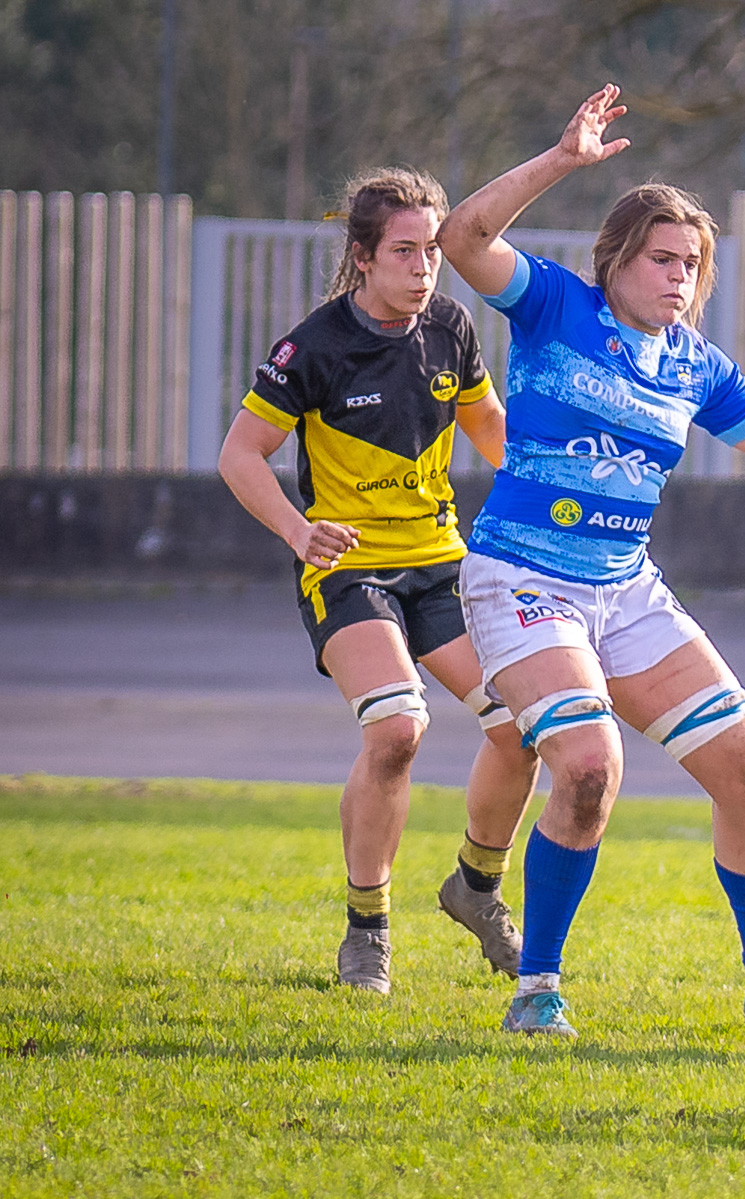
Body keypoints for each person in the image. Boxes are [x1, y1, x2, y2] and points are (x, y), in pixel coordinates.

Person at [437, 86, 745, 1039]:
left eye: (692, 264)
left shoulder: (693, 363)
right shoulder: (555, 304)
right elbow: (463, 235)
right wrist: (562, 159)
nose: (679, 277)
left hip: (625, 589)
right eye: (662, 259)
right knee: (589, 763)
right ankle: (537, 990)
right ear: (615, 259)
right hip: (524, 577)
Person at [218, 167, 541, 995]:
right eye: (405, 250)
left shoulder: (450, 328)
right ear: (363, 257)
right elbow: (239, 455)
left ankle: (475, 886)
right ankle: (369, 927)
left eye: (433, 249)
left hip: (441, 563)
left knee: (524, 729)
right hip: (348, 566)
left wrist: (556, 495)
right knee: (398, 727)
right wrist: (298, 527)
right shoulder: (315, 346)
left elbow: (491, 429)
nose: (425, 266)